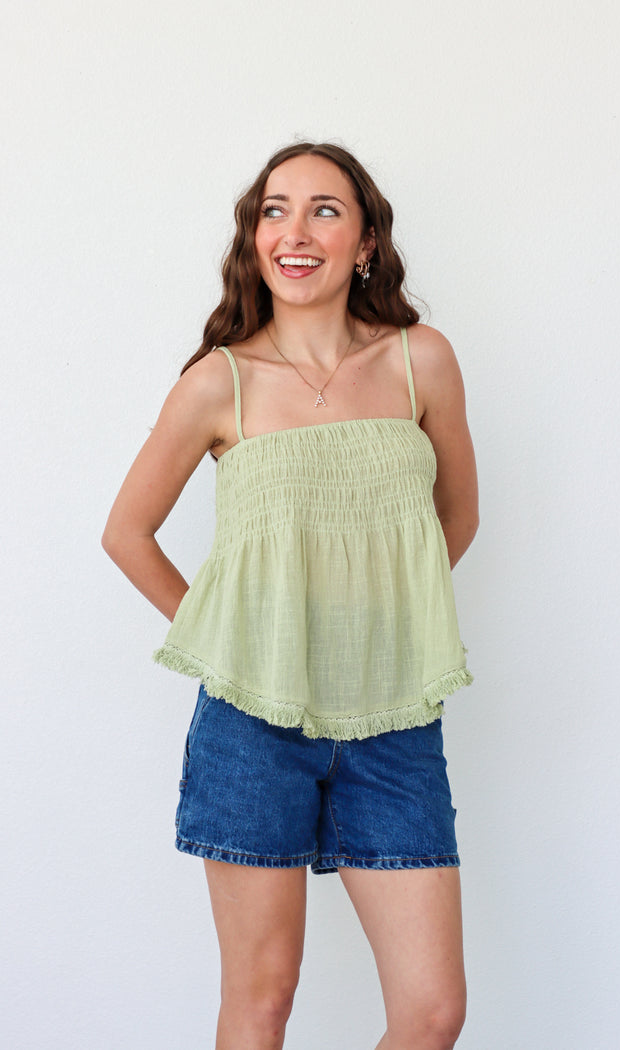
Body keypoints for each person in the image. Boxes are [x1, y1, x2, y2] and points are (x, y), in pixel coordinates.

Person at [102, 141, 479, 1050]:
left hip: (394, 719)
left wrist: (376, 628)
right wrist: (234, 637)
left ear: (366, 242)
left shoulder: (421, 361)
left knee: (433, 1014)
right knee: (263, 1001)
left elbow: (455, 520)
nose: (295, 232)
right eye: (274, 211)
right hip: (252, 725)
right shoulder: (218, 381)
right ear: (254, 238)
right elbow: (126, 533)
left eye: (324, 210)